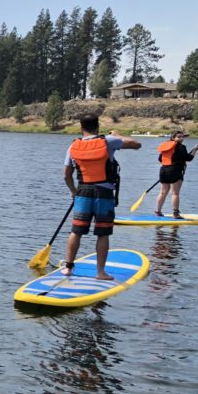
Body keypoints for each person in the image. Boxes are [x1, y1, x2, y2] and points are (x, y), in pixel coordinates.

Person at [62, 114, 140, 279]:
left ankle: (68, 268)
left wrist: (73, 191)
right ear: (97, 127)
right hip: (104, 193)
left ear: (81, 127)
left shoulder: (72, 147)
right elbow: (137, 145)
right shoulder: (109, 141)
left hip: (83, 192)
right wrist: (117, 135)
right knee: (103, 233)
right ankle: (100, 273)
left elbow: (67, 175)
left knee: (76, 231)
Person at [154, 131, 198, 218]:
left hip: (163, 170)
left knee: (163, 192)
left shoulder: (166, 146)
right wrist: (195, 150)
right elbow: (189, 158)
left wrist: (172, 163)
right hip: (175, 171)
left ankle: (158, 211)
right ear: (173, 138)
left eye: (182, 137)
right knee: (175, 193)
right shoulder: (181, 147)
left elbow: (160, 159)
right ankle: (176, 213)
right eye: (179, 137)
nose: (181, 138)